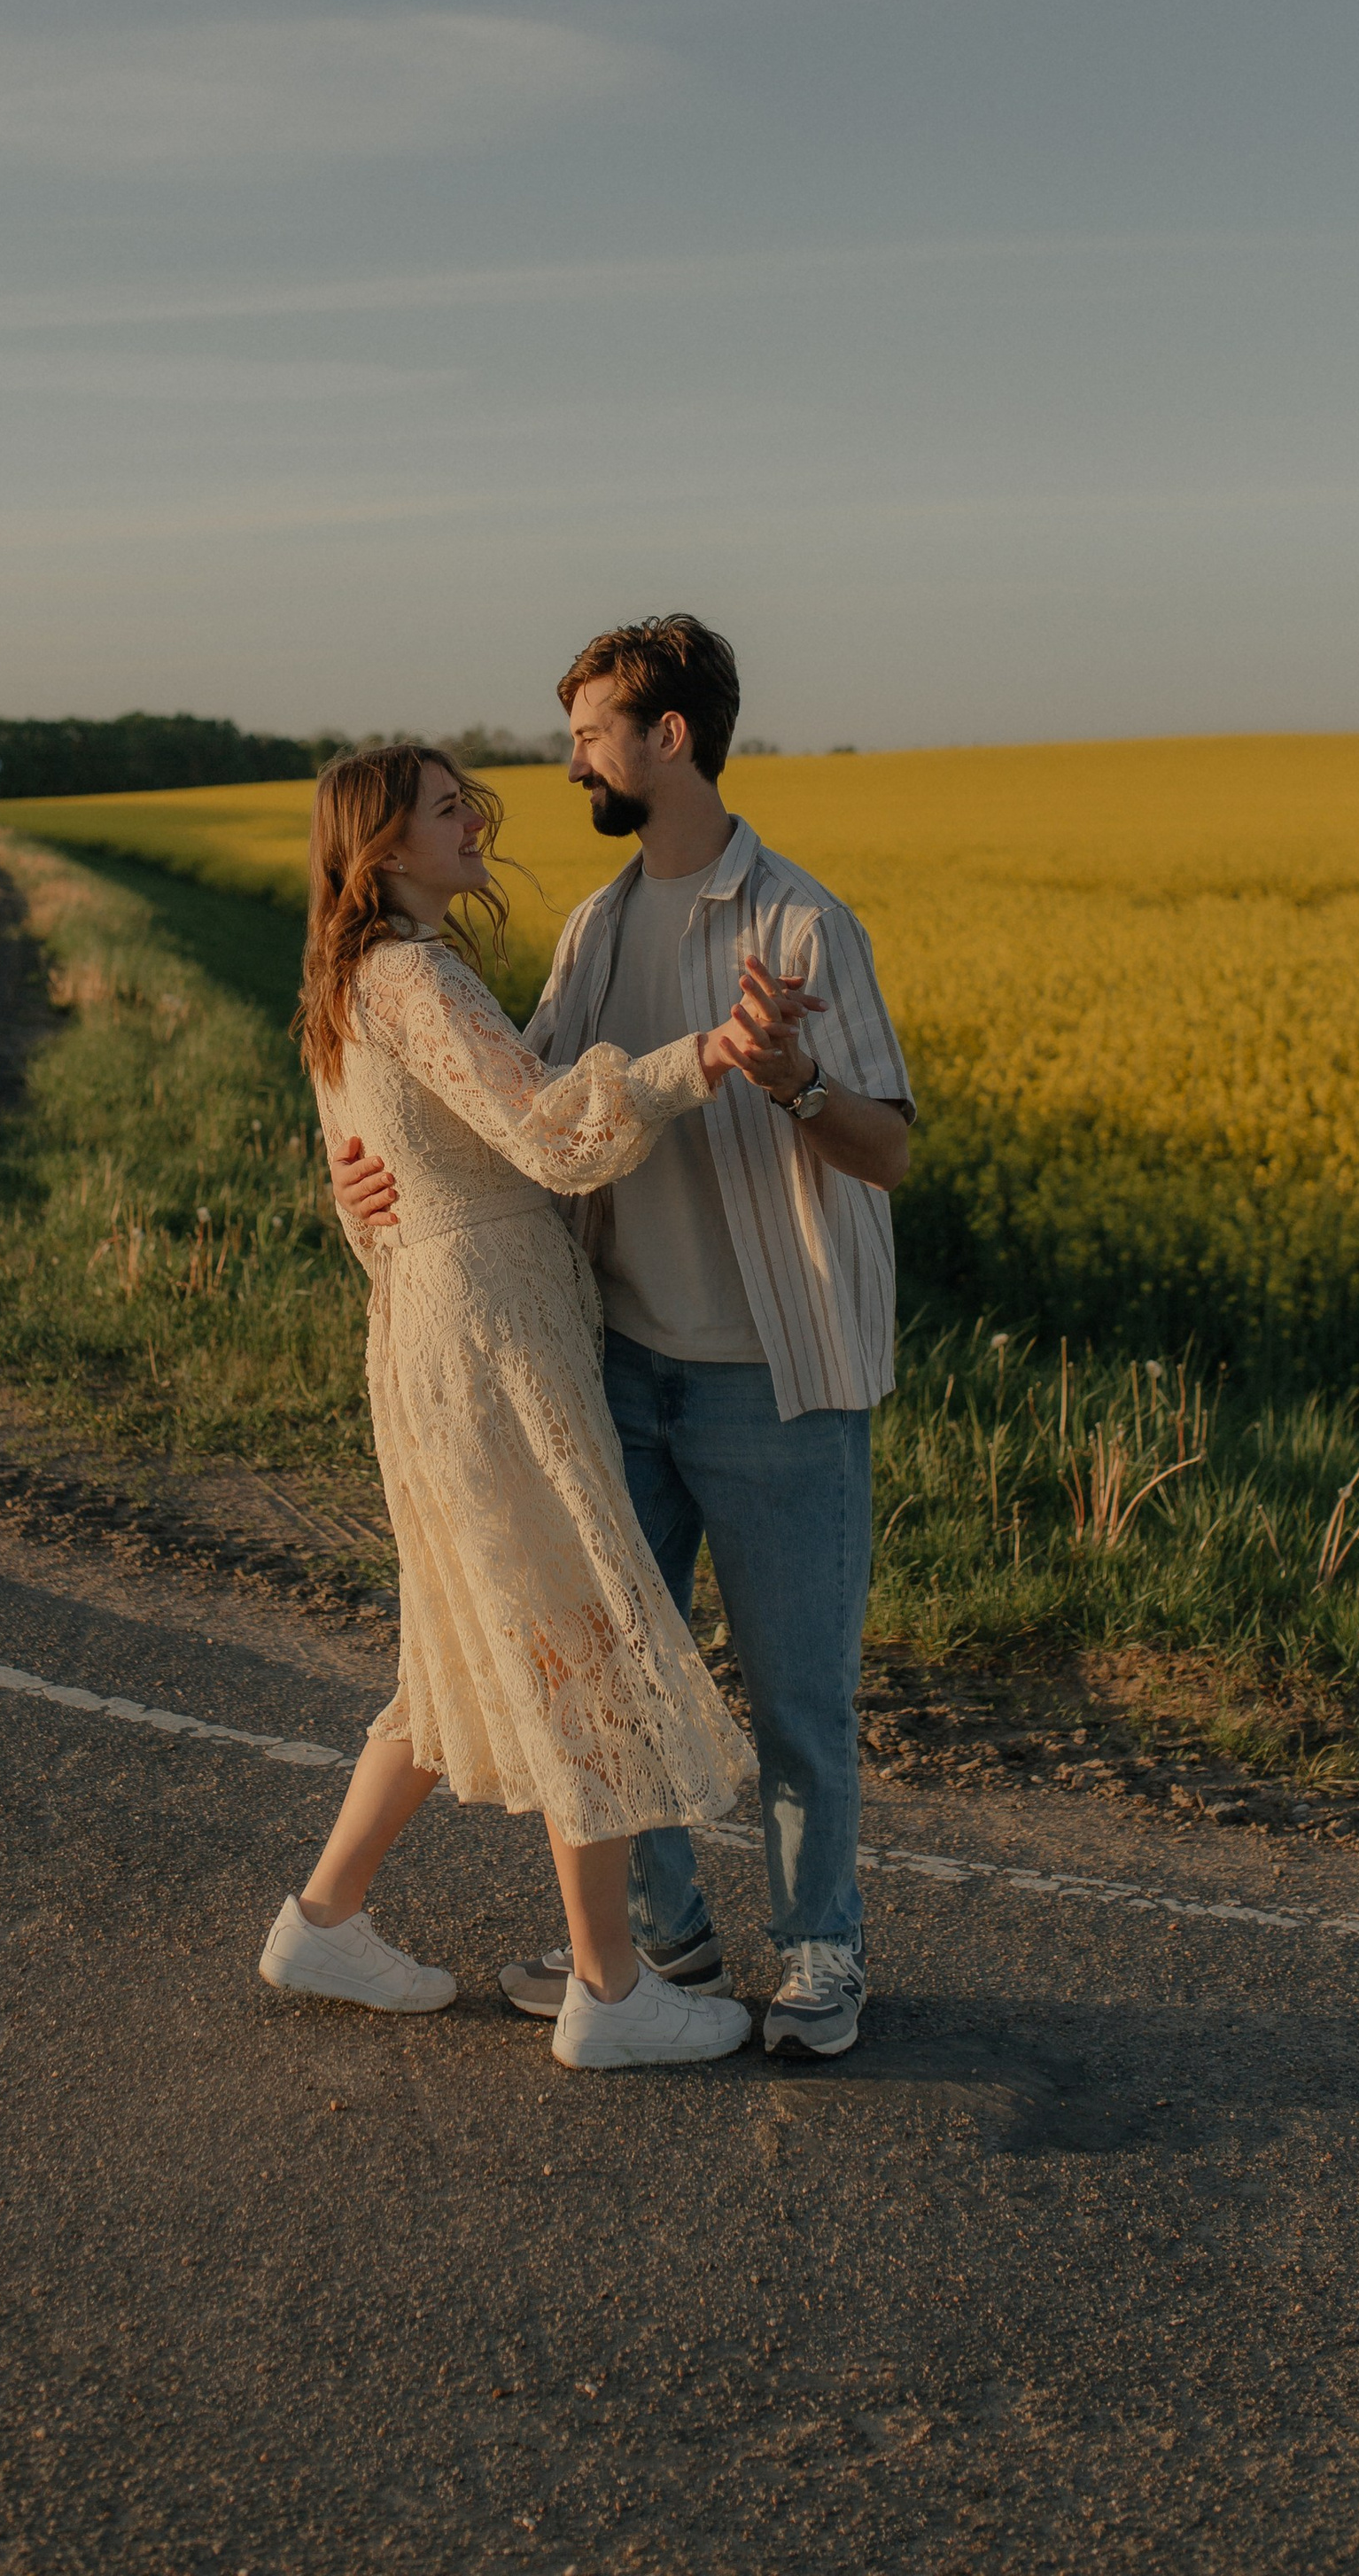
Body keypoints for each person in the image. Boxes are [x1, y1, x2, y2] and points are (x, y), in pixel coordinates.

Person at [332, 617, 912, 2060]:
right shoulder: (596, 928)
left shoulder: (798, 922)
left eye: (593, 728)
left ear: (669, 738)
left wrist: (788, 1081)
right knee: (614, 1666)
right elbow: (515, 1114)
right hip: (620, 1363)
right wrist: (363, 1177)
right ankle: (664, 1950)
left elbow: (889, 1151)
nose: (571, 755)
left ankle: (822, 1953)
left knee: (796, 1697)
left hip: (778, 1376)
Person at [258, 741, 814, 2070]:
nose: (478, 824)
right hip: (493, 1344)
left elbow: (382, 1193)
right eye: (448, 810)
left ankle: (325, 1921)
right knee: (578, 1644)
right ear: (382, 846)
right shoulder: (409, 973)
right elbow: (554, 1135)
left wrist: (367, 1213)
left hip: (435, 1335)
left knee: (453, 1653)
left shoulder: (348, 985)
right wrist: (707, 1057)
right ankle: (613, 1996)